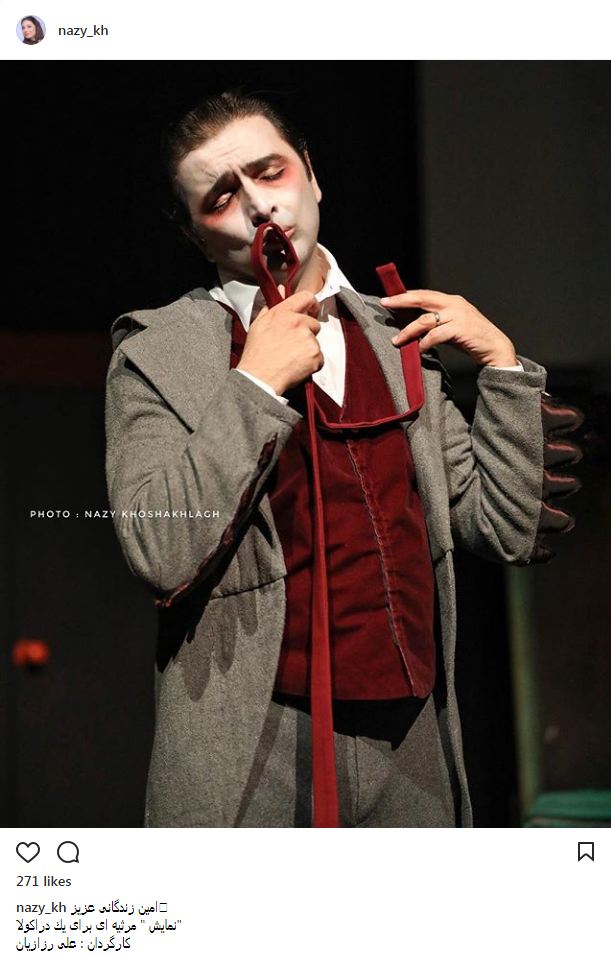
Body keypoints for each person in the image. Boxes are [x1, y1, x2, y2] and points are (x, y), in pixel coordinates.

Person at [104, 91, 580, 828]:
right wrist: (254, 385)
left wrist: (502, 367)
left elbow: (504, 527)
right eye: (221, 197)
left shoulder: (396, 336)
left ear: (312, 176)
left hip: (412, 748)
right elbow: (159, 548)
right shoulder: (156, 353)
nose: (258, 206)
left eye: (270, 172)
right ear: (198, 234)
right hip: (253, 746)